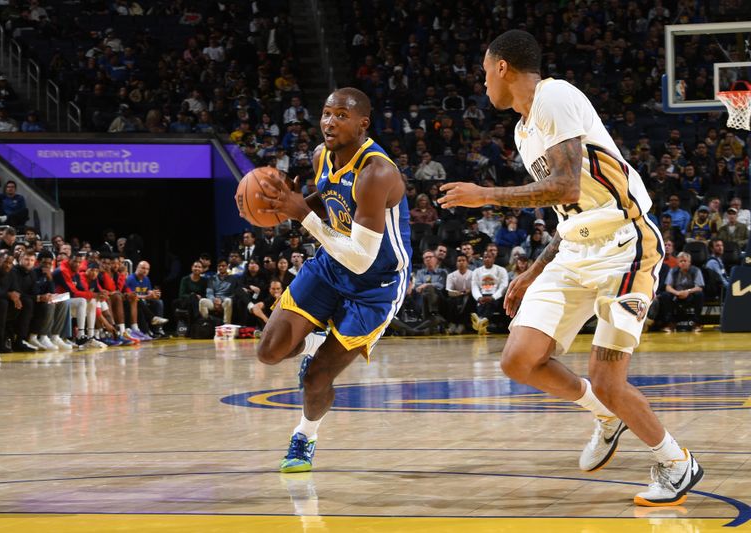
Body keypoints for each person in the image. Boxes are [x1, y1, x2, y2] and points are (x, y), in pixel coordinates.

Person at [438, 30, 702, 506]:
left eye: (483, 73)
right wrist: (533, 270)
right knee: (518, 359)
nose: (482, 84)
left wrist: (487, 196)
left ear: (502, 68)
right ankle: (606, 413)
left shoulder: (554, 95)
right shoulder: (522, 131)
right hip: (575, 250)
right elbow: (568, 211)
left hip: (624, 247)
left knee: (608, 377)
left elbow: (563, 186)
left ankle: (676, 462)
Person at [248, 87, 411, 473]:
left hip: (375, 284)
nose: (329, 122)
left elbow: (361, 258)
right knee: (268, 351)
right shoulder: (322, 156)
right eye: (325, 113)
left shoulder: (377, 173)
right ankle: (313, 336)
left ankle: (305, 436)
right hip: (329, 266)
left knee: (318, 377)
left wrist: (302, 215)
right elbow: (326, 197)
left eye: (341, 115)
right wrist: (289, 203)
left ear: (362, 123)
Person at [657, 252, 704, 332]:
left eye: (685, 261)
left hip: (690, 294)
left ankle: (696, 323)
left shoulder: (696, 270)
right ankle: (670, 324)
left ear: (689, 262)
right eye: (681, 261)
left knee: (699, 294)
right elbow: (668, 287)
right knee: (665, 295)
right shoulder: (673, 271)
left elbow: (699, 287)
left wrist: (687, 291)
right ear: (677, 262)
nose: (683, 263)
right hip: (677, 294)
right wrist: (677, 293)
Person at [470, 247, 509, 334]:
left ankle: (480, 319)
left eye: (489, 257)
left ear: (493, 259)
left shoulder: (501, 270)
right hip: (482, 295)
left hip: (496, 296)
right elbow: (474, 287)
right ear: (482, 259)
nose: (487, 259)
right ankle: (483, 324)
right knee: (482, 302)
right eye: (485, 257)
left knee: (491, 302)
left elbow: (503, 286)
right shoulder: (476, 271)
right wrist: (479, 297)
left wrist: (493, 297)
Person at [445, 254, 474, 334]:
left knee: (469, 298)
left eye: (463, 260)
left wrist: (466, 292)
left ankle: (462, 324)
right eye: (459, 261)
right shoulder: (451, 275)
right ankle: (452, 324)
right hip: (456, 296)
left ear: (467, 263)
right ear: (456, 263)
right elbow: (449, 291)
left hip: (469, 297)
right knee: (451, 300)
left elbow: (474, 288)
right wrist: (461, 292)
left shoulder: (473, 274)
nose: (461, 262)